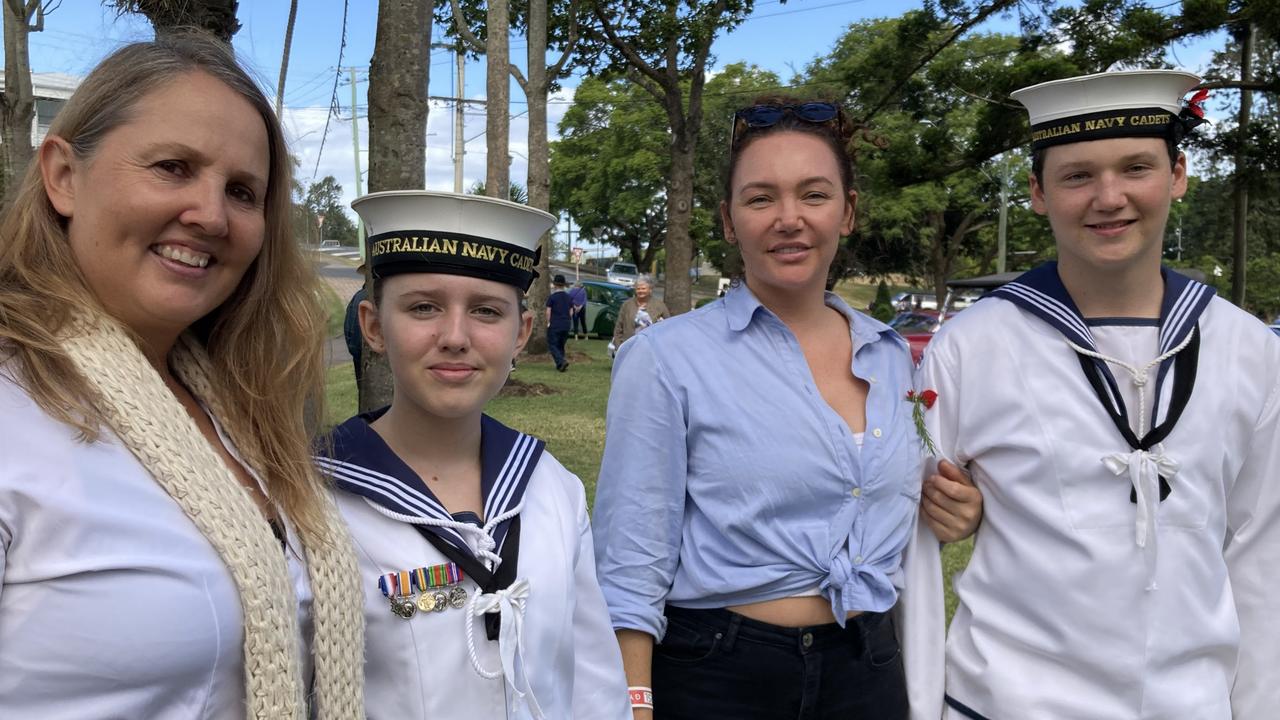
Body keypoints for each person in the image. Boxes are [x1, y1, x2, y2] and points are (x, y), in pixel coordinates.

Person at [0, 34, 364, 717]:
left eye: (243, 192)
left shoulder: (244, 412)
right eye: (172, 167)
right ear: (63, 176)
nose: (210, 215)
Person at [905, 70, 1280, 719]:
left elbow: (1263, 556)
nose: (1109, 198)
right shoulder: (969, 347)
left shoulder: (1250, 351)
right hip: (1004, 704)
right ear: (1036, 192)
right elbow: (909, 539)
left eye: (1136, 167)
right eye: (1078, 176)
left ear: (1178, 173)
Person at [592, 98, 982, 719]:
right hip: (720, 674)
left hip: (868, 666)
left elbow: (890, 500)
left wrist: (949, 508)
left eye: (815, 195)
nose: (789, 219)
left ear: (847, 212)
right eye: (760, 198)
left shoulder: (889, 356)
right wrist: (634, 703)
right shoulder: (666, 358)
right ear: (728, 220)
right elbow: (631, 559)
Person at [315, 190, 630, 720]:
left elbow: (595, 686)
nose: (456, 337)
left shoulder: (552, 490)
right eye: (423, 308)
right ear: (373, 327)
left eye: (486, 311)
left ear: (520, 333)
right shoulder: (313, 504)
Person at [611, 275, 669, 350]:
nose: (640, 291)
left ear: (650, 290)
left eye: (643, 288)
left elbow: (668, 326)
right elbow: (618, 327)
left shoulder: (660, 305)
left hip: (650, 348)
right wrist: (618, 346)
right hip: (628, 346)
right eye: (638, 289)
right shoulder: (627, 305)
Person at [546, 274, 573, 371]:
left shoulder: (552, 298)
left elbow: (548, 311)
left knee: (552, 344)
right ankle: (560, 365)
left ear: (555, 285)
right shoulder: (569, 297)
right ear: (563, 285)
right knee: (561, 344)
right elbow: (571, 312)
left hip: (555, 323)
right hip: (566, 324)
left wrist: (548, 322)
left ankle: (561, 361)